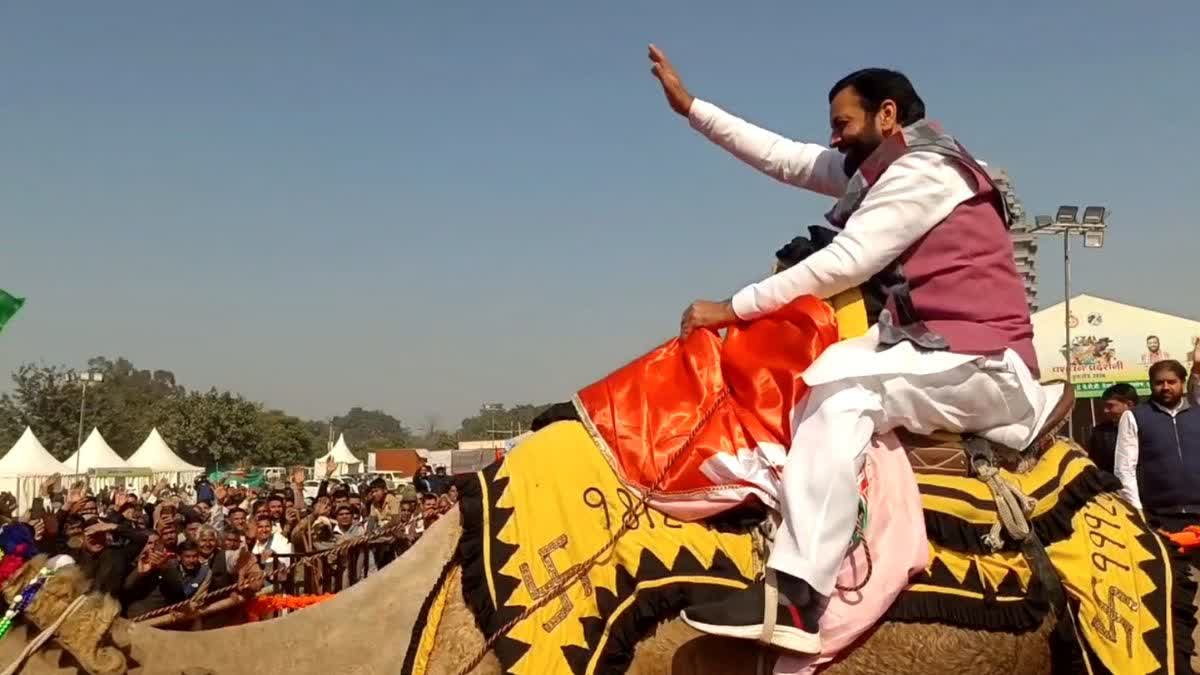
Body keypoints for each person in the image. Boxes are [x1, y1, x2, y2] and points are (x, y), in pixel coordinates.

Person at [648, 46, 1045, 653]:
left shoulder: (923, 172)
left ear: (887, 115)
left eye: (842, 124)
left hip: (984, 365)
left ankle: (797, 597)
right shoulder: (883, 167)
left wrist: (731, 308)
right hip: (940, 354)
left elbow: (844, 261)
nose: (832, 140)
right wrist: (692, 109)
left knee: (836, 390)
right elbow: (786, 158)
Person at [1113, 360, 1200, 532]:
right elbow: (1124, 468)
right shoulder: (1134, 416)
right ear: (1150, 385)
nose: (1166, 387)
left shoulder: (1197, 414)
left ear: (1182, 382)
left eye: (1172, 382)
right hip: (1159, 517)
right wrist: (1138, 513)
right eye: (1159, 383)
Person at [1086, 383, 1139, 474]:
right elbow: (1096, 466)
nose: (1105, 410)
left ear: (1129, 405)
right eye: (1105, 406)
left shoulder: (1149, 428)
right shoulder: (1100, 433)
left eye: (1110, 406)